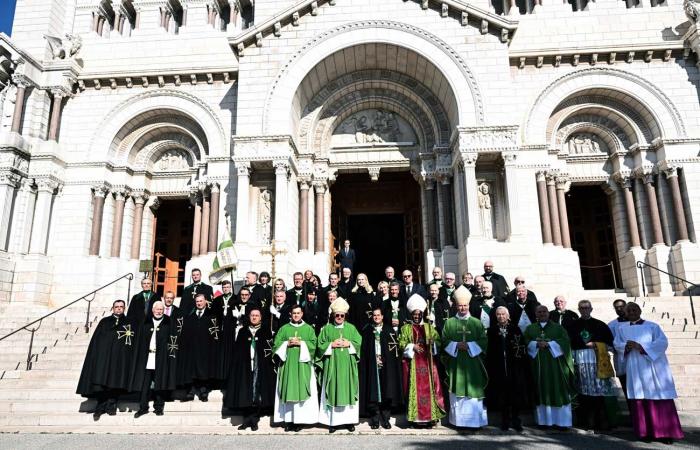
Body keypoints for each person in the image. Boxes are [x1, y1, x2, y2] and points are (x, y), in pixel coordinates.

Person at [614, 302, 683, 443]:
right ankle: (646, 433)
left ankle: (666, 433)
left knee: (659, 397)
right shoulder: (621, 328)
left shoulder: (652, 326)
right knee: (640, 399)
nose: (632, 312)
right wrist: (625, 346)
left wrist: (642, 347)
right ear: (625, 313)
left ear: (640, 310)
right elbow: (617, 344)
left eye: (634, 309)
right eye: (629, 310)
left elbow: (662, 343)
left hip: (653, 367)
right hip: (634, 367)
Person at [77, 300, 135, 420]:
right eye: (116, 307)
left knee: (116, 381)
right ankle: (100, 406)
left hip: (119, 359)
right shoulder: (105, 322)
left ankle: (111, 404)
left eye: (121, 307)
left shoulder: (129, 322)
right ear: (112, 308)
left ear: (124, 308)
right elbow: (97, 341)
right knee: (101, 381)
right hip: (104, 358)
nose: (119, 309)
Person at [441, 286, 489, 429]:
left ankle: (476, 423)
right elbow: (444, 340)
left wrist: (469, 346)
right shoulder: (449, 323)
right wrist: (456, 345)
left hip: (473, 363)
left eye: (465, 305)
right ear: (456, 306)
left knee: (473, 392)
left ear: (468, 305)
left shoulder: (476, 322)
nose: (462, 308)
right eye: (460, 305)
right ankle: (459, 423)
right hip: (456, 364)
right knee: (457, 391)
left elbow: (484, 340)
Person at [524, 305, 575, 429]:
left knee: (558, 389)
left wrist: (549, 344)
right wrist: (536, 344)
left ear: (548, 313)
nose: (542, 314)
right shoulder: (530, 328)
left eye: (544, 311)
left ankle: (562, 422)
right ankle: (544, 422)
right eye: (539, 312)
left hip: (556, 367)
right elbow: (525, 342)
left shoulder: (558, 328)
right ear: (535, 314)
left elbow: (565, 342)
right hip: (539, 367)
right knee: (542, 390)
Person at [225, 307, 275, 431]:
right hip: (245, 367)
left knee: (257, 393)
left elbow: (268, 350)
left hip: (260, 367)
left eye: (257, 315)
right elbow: (237, 351)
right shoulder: (243, 331)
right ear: (249, 317)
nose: (254, 317)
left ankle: (254, 420)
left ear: (261, 317)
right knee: (245, 392)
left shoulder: (265, 331)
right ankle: (246, 420)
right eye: (252, 315)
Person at [399, 294, 446, 428]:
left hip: (428, 363)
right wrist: (412, 346)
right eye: (414, 314)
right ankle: (415, 418)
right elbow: (401, 343)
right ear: (411, 314)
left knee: (430, 389)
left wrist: (433, 343)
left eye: (419, 314)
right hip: (413, 364)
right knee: (415, 389)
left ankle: (430, 417)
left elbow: (438, 342)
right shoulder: (406, 328)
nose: (417, 316)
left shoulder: (429, 328)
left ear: (422, 314)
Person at [317, 298, 362, 433]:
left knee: (347, 391)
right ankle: (333, 422)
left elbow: (358, 342)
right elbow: (320, 345)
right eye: (337, 315)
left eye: (342, 315)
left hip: (348, 367)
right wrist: (331, 344)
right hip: (332, 366)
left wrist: (349, 344)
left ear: (345, 316)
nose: (339, 317)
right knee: (332, 390)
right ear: (333, 315)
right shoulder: (327, 329)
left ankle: (349, 422)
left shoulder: (351, 328)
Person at [569, 300, 616, 431]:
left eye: (586, 308)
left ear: (591, 309)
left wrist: (596, 344)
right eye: (582, 308)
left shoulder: (600, 325)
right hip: (580, 361)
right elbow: (569, 344)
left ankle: (602, 422)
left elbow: (611, 344)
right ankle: (587, 422)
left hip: (597, 361)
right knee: (583, 392)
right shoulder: (573, 325)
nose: (584, 310)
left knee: (599, 392)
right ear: (578, 310)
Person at [273, 304, 319, 432]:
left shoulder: (308, 329)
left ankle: (300, 421)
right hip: (287, 365)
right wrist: (286, 343)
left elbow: (314, 346)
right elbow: (275, 345)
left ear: (302, 314)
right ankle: (289, 421)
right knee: (288, 390)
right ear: (290, 314)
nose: (296, 315)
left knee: (301, 390)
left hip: (303, 366)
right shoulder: (284, 329)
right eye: (294, 313)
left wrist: (301, 343)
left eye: (298, 313)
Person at [486, 306, 531, 432]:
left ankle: (516, 419)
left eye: (503, 314)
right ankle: (505, 419)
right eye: (498, 314)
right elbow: (489, 350)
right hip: (498, 367)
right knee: (502, 395)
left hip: (514, 367)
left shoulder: (515, 329)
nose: (501, 316)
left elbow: (521, 347)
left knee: (515, 394)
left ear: (508, 315)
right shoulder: (492, 331)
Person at [130, 301, 177, 418]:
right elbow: (139, 340)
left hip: (162, 358)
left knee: (159, 383)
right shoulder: (145, 321)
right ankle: (143, 408)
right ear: (152, 310)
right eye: (157, 309)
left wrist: (171, 356)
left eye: (161, 309)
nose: (159, 311)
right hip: (147, 357)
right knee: (145, 384)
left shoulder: (168, 321)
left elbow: (173, 339)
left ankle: (159, 407)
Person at [359, 307, 403, 430]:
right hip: (372, 366)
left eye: (378, 315)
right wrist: (373, 359)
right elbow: (364, 351)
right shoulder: (367, 331)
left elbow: (394, 351)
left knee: (386, 391)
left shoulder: (389, 331)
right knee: (373, 391)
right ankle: (375, 419)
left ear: (382, 316)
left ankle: (386, 418)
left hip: (386, 366)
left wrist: (384, 358)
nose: (376, 317)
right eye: (374, 315)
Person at [176, 293, 221, 402]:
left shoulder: (211, 316)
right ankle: (190, 392)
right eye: (197, 301)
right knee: (191, 370)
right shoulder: (190, 316)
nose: (199, 303)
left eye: (201, 301)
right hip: (192, 349)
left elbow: (215, 333)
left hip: (206, 349)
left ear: (205, 301)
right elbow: (185, 333)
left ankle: (203, 392)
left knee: (204, 370)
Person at [211, 280, 235, 379]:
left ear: (230, 288)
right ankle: (219, 376)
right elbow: (213, 315)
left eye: (228, 287)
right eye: (224, 287)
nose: (226, 289)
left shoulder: (236, 299)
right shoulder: (217, 300)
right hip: (220, 329)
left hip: (231, 330)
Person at [607, 298, 628, 397]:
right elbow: (608, 343)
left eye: (621, 306)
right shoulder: (611, 325)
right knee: (626, 388)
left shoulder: (638, 323)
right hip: (621, 360)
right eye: (617, 308)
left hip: (638, 360)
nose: (619, 309)